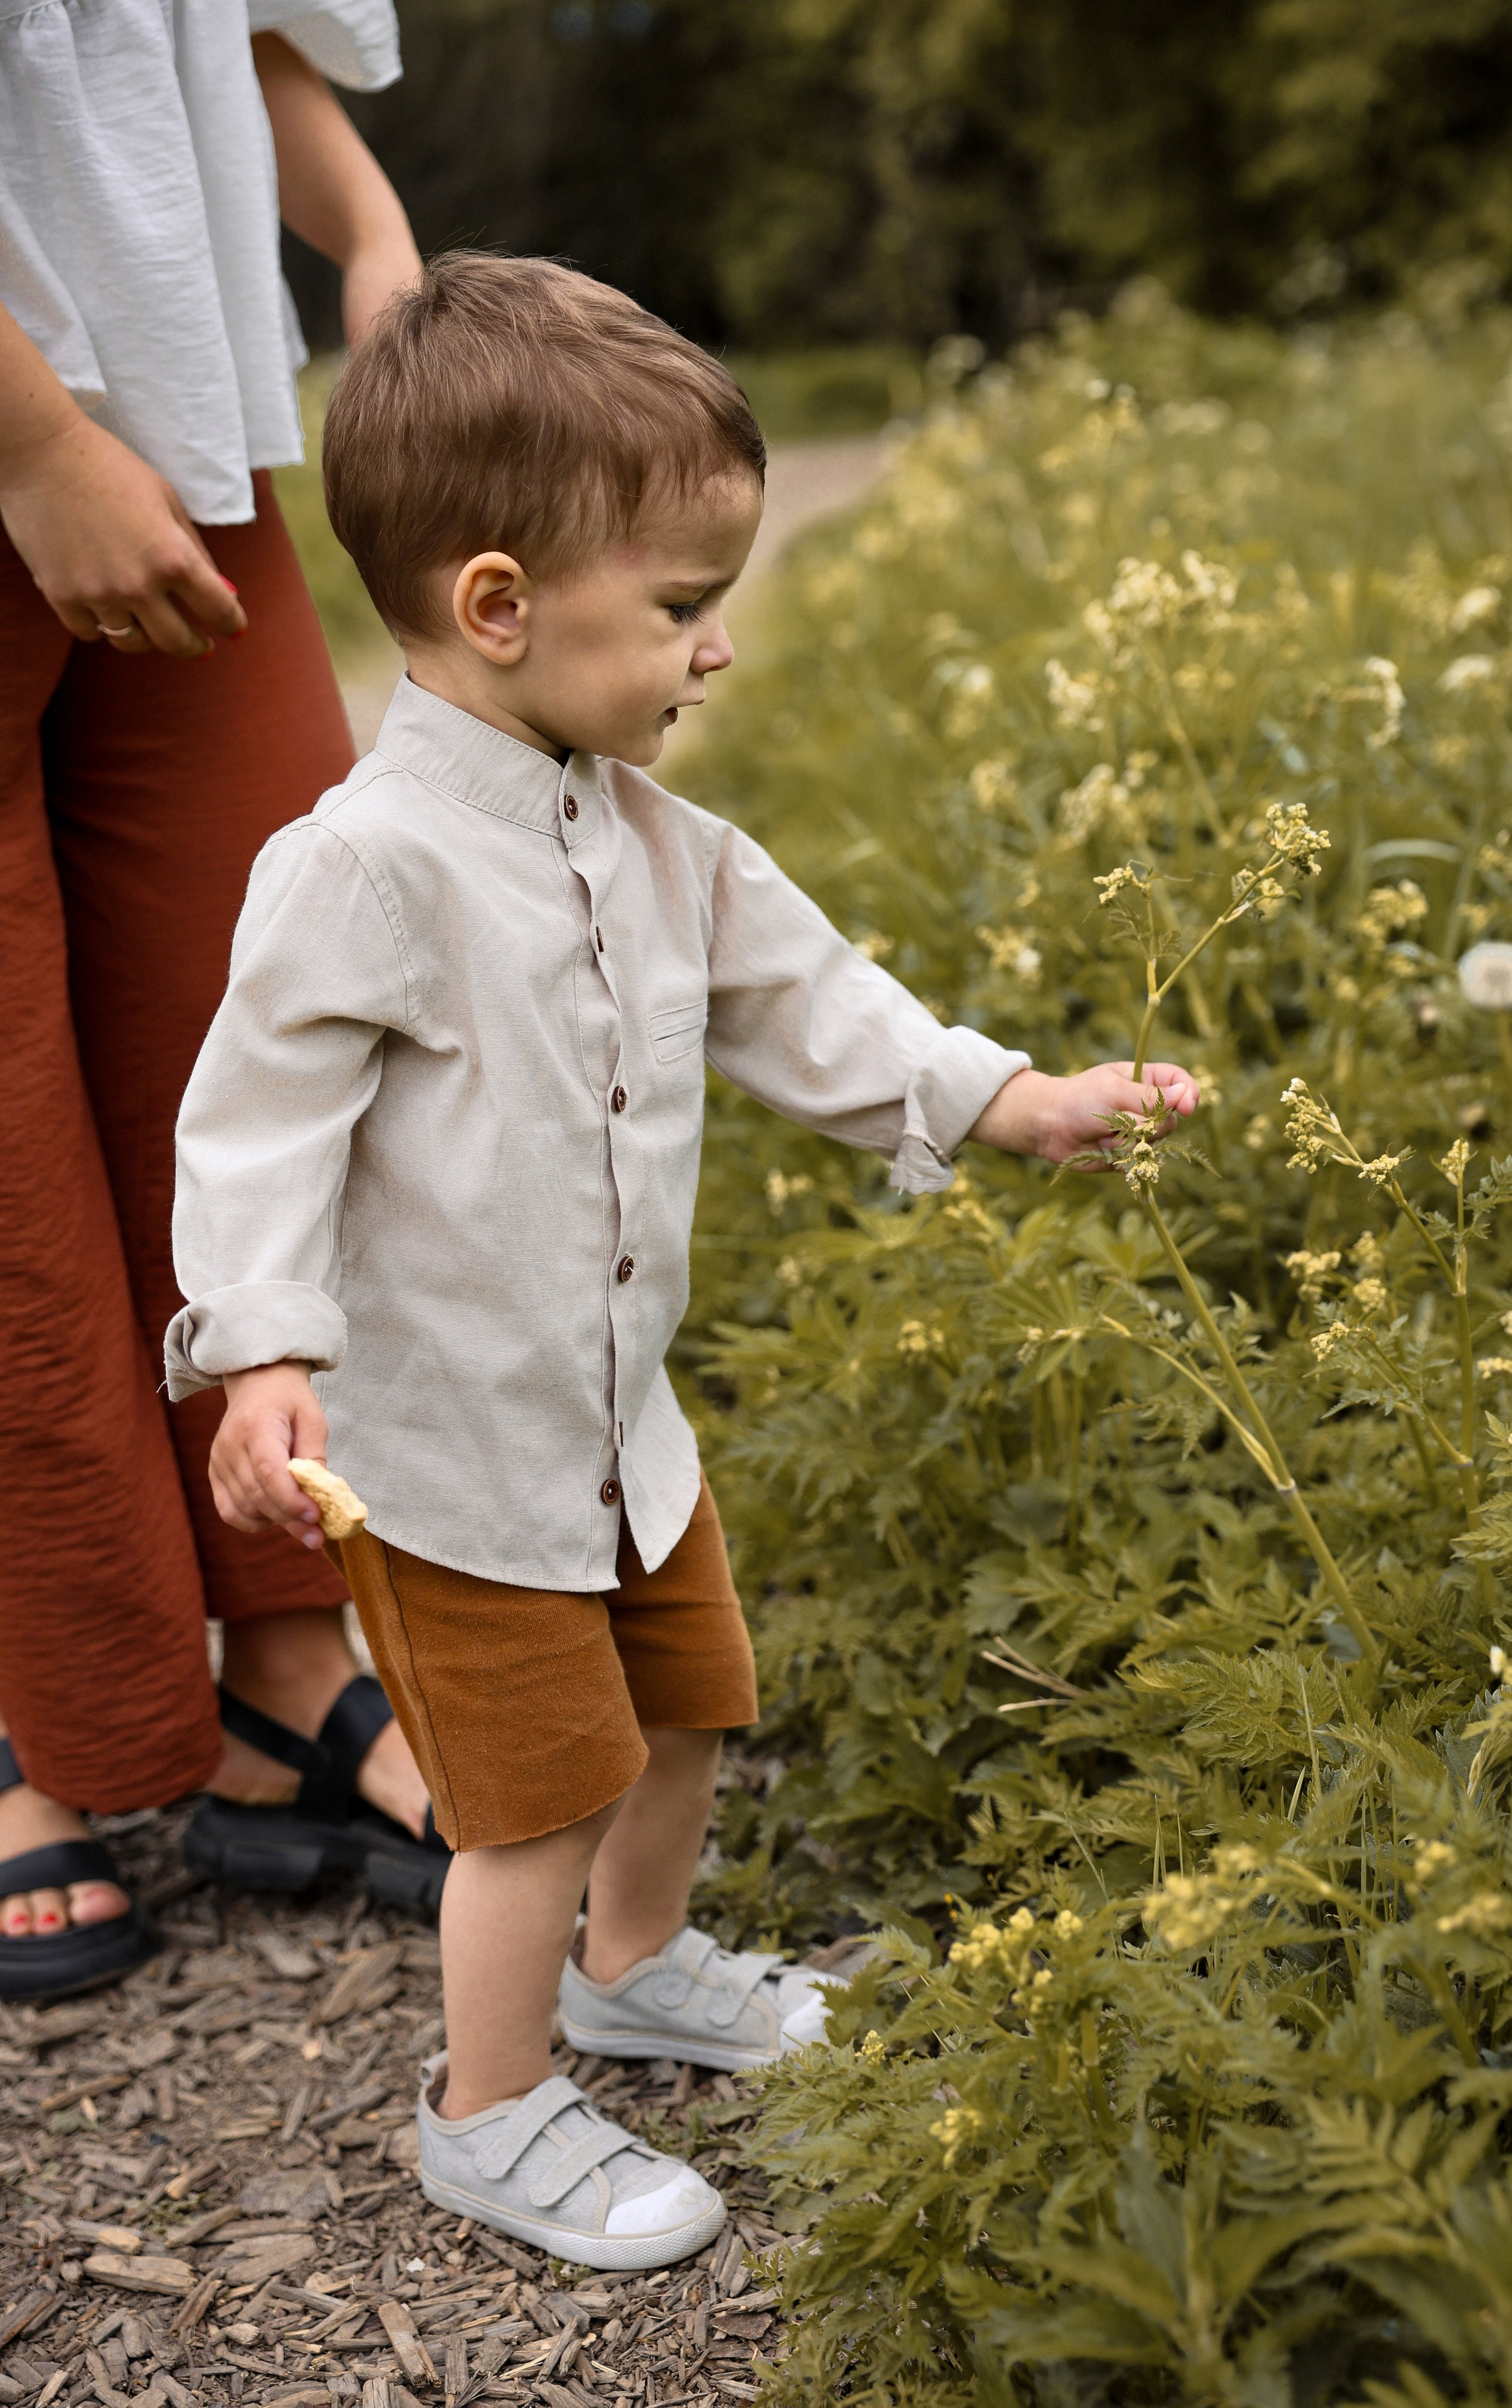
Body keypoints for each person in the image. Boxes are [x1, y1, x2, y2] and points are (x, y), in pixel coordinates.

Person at [166, 254, 1201, 2267]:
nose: (710, 657)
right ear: (498, 606)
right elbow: (256, 1125)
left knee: (689, 1702)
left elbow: (824, 1000)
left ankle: (632, 1968)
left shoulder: (652, 840)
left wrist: (1011, 1100)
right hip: (458, 1453)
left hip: (621, 1426)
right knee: (527, 1793)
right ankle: (487, 2102)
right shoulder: (367, 868)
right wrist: (264, 1356)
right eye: (679, 610)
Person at [0, 0, 444, 2000]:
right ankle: (36, 1705)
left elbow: (220, 27)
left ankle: (284, 1658)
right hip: (38, 431)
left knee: (248, 1025)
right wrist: (27, 439)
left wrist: (369, 241)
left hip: (186, 421)